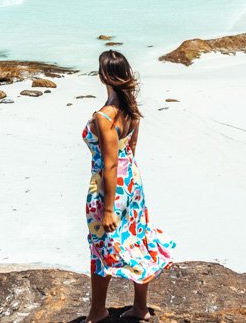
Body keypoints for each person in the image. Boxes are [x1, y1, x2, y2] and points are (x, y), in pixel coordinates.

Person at [82, 50, 174, 322]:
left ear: (104, 77)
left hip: (108, 187)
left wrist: (108, 208)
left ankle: (98, 312)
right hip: (132, 182)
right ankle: (141, 308)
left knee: (100, 244)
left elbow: (109, 165)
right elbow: (131, 150)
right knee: (137, 239)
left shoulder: (105, 116)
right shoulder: (131, 110)